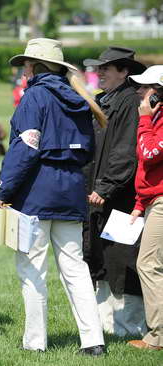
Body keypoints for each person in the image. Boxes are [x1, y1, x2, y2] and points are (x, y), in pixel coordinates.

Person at [0, 38, 105, 356]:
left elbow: (25, 149)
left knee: (32, 269)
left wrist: (5, 190)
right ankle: (93, 340)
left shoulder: (34, 97)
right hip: (71, 191)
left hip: (36, 193)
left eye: (26, 64)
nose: (23, 69)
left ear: (35, 66)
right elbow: (87, 152)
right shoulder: (80, 99)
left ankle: (35, 342)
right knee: (75, 268)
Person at [82, 47, 147, 336]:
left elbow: (126, 153)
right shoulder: (103, 101)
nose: (100, 73)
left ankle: (128, 327)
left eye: (106, 68)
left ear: (124, 72)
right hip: (100, 197)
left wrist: (105, 187)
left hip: (122, 199)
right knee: (100, 259)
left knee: (122, 262)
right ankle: (106, 326)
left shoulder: (130, 102)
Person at [127, 66, 163, 351]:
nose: (139, 91)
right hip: (153, 201)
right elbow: (148, 171)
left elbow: (148, 154)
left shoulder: (153, 120)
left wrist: (144, 120)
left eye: (144, 87)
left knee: (148, 264)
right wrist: (140, 204)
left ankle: (158, 337)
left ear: (158, 93)